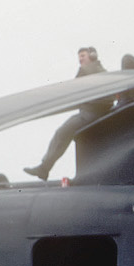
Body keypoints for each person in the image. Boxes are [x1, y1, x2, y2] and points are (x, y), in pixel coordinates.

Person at [24, 47, 109, 181]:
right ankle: (44, 168)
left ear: (92, 56)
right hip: (92, 113)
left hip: (90, 114)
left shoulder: (89, 70)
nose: (80, 59)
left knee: (62, 133)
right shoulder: (102, 72)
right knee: (64, 133)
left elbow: (73, 90)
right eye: (79, 57)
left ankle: (44, 168)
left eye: (83, 56)